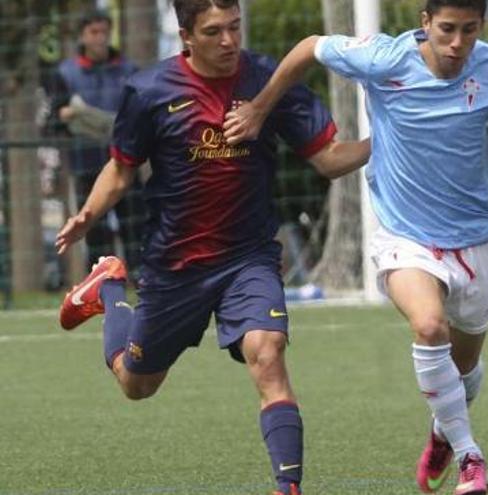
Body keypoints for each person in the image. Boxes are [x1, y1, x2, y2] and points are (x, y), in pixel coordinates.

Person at [223, 1, 488, 493]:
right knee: (429, 325)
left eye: (469, 31)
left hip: (474, 241)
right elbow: (310, 47)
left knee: (465, 370)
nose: (457, 43)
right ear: (425, 23)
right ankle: (469, 457)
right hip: (404, 236)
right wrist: (260, 109)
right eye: (447, 29)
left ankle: (442, 430)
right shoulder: (384, 58)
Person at [54, 1, 370, 494]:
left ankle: (288, 487)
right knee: (137, 384)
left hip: (249, 257)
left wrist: (392, 140)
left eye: (235, 28)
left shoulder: (269, 79)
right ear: (185, 37)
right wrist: (87, 216)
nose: (229, 41)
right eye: (214, 31)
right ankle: (110, 288)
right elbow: (120, 170)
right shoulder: (150, 90)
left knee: (268, 354)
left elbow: (329, 160)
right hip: (175, 265)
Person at [46, 10, 145, 274]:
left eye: (104, 32)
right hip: (86, 165)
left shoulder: (129, 70)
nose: (100, 39)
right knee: (95, 233)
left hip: (125, 163)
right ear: (82, 36)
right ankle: (102, 288)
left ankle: (140, 281)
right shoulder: (64, 73)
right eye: (94, 33)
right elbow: (52, 123)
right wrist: (66, 116)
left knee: (135, 229)